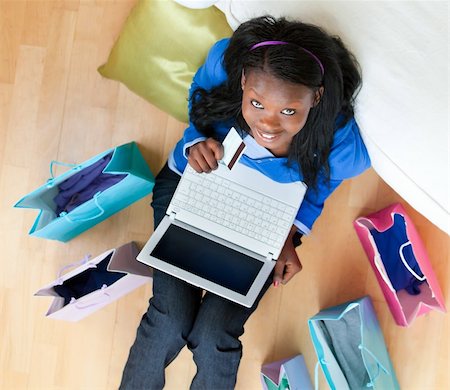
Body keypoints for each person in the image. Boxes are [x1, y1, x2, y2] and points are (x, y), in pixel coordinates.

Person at [120, 15, 370, 390]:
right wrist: (196, 144)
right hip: (190, 191)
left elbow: (318, 188)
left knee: (215, 335)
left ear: (315, 98)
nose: (268, 124)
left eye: (289, 111)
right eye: (256, 103)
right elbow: (198, 100)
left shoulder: (341, 144)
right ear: (242, 83)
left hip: (267, 223)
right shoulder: (225, 63)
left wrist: (287, 236)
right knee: (169, 319)